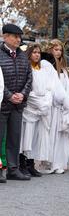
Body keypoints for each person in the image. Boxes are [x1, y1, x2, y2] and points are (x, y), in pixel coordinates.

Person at [19, 44, 64, 177]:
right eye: (34, 52)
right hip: (30, 109)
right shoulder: (27, 69)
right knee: (25, 137)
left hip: (42, 109)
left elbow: (50, 89)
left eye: (38, 52)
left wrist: (45, 103)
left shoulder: (43, 70)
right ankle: (22, 164)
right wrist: (39, 103)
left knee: (35, 138)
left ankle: (31, 164)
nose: (37, 55)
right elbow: (27, 89)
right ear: (29, 54)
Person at [0, 24, 33, 182]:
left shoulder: (22, 55)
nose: (18, 39)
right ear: (5, 36)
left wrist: (22, 94)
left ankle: (13, 169)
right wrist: (8, 95)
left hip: (18, 104)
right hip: (2, 103)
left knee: (14, 137)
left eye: (20, 37)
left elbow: (29, 77)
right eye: (15, 36)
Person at [43, 39, 69, 174]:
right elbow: (52, 87)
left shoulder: (63, 68)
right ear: (50, 50)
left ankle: (60, 163)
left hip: (63, 106)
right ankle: (51, 163)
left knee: (62, 136)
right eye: (55, 49)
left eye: (60, 50)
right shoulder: (47, 66)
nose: (58, 52)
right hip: (53, 105)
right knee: (52, 135)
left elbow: (67, 87)